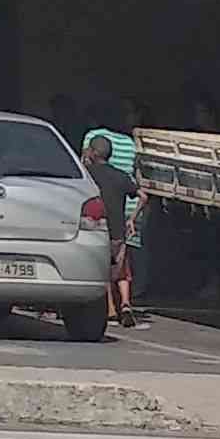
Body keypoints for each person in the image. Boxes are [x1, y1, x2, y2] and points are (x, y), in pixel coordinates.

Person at [82, 125, 139, 325]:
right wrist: (132, 218)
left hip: (100, 229)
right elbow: (143, 196)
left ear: (93, 152)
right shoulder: (121, 176)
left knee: (103, 270)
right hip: (119, 231)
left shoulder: (87, 175)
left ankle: (110, 309)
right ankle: (126, 304)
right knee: (122, 271)